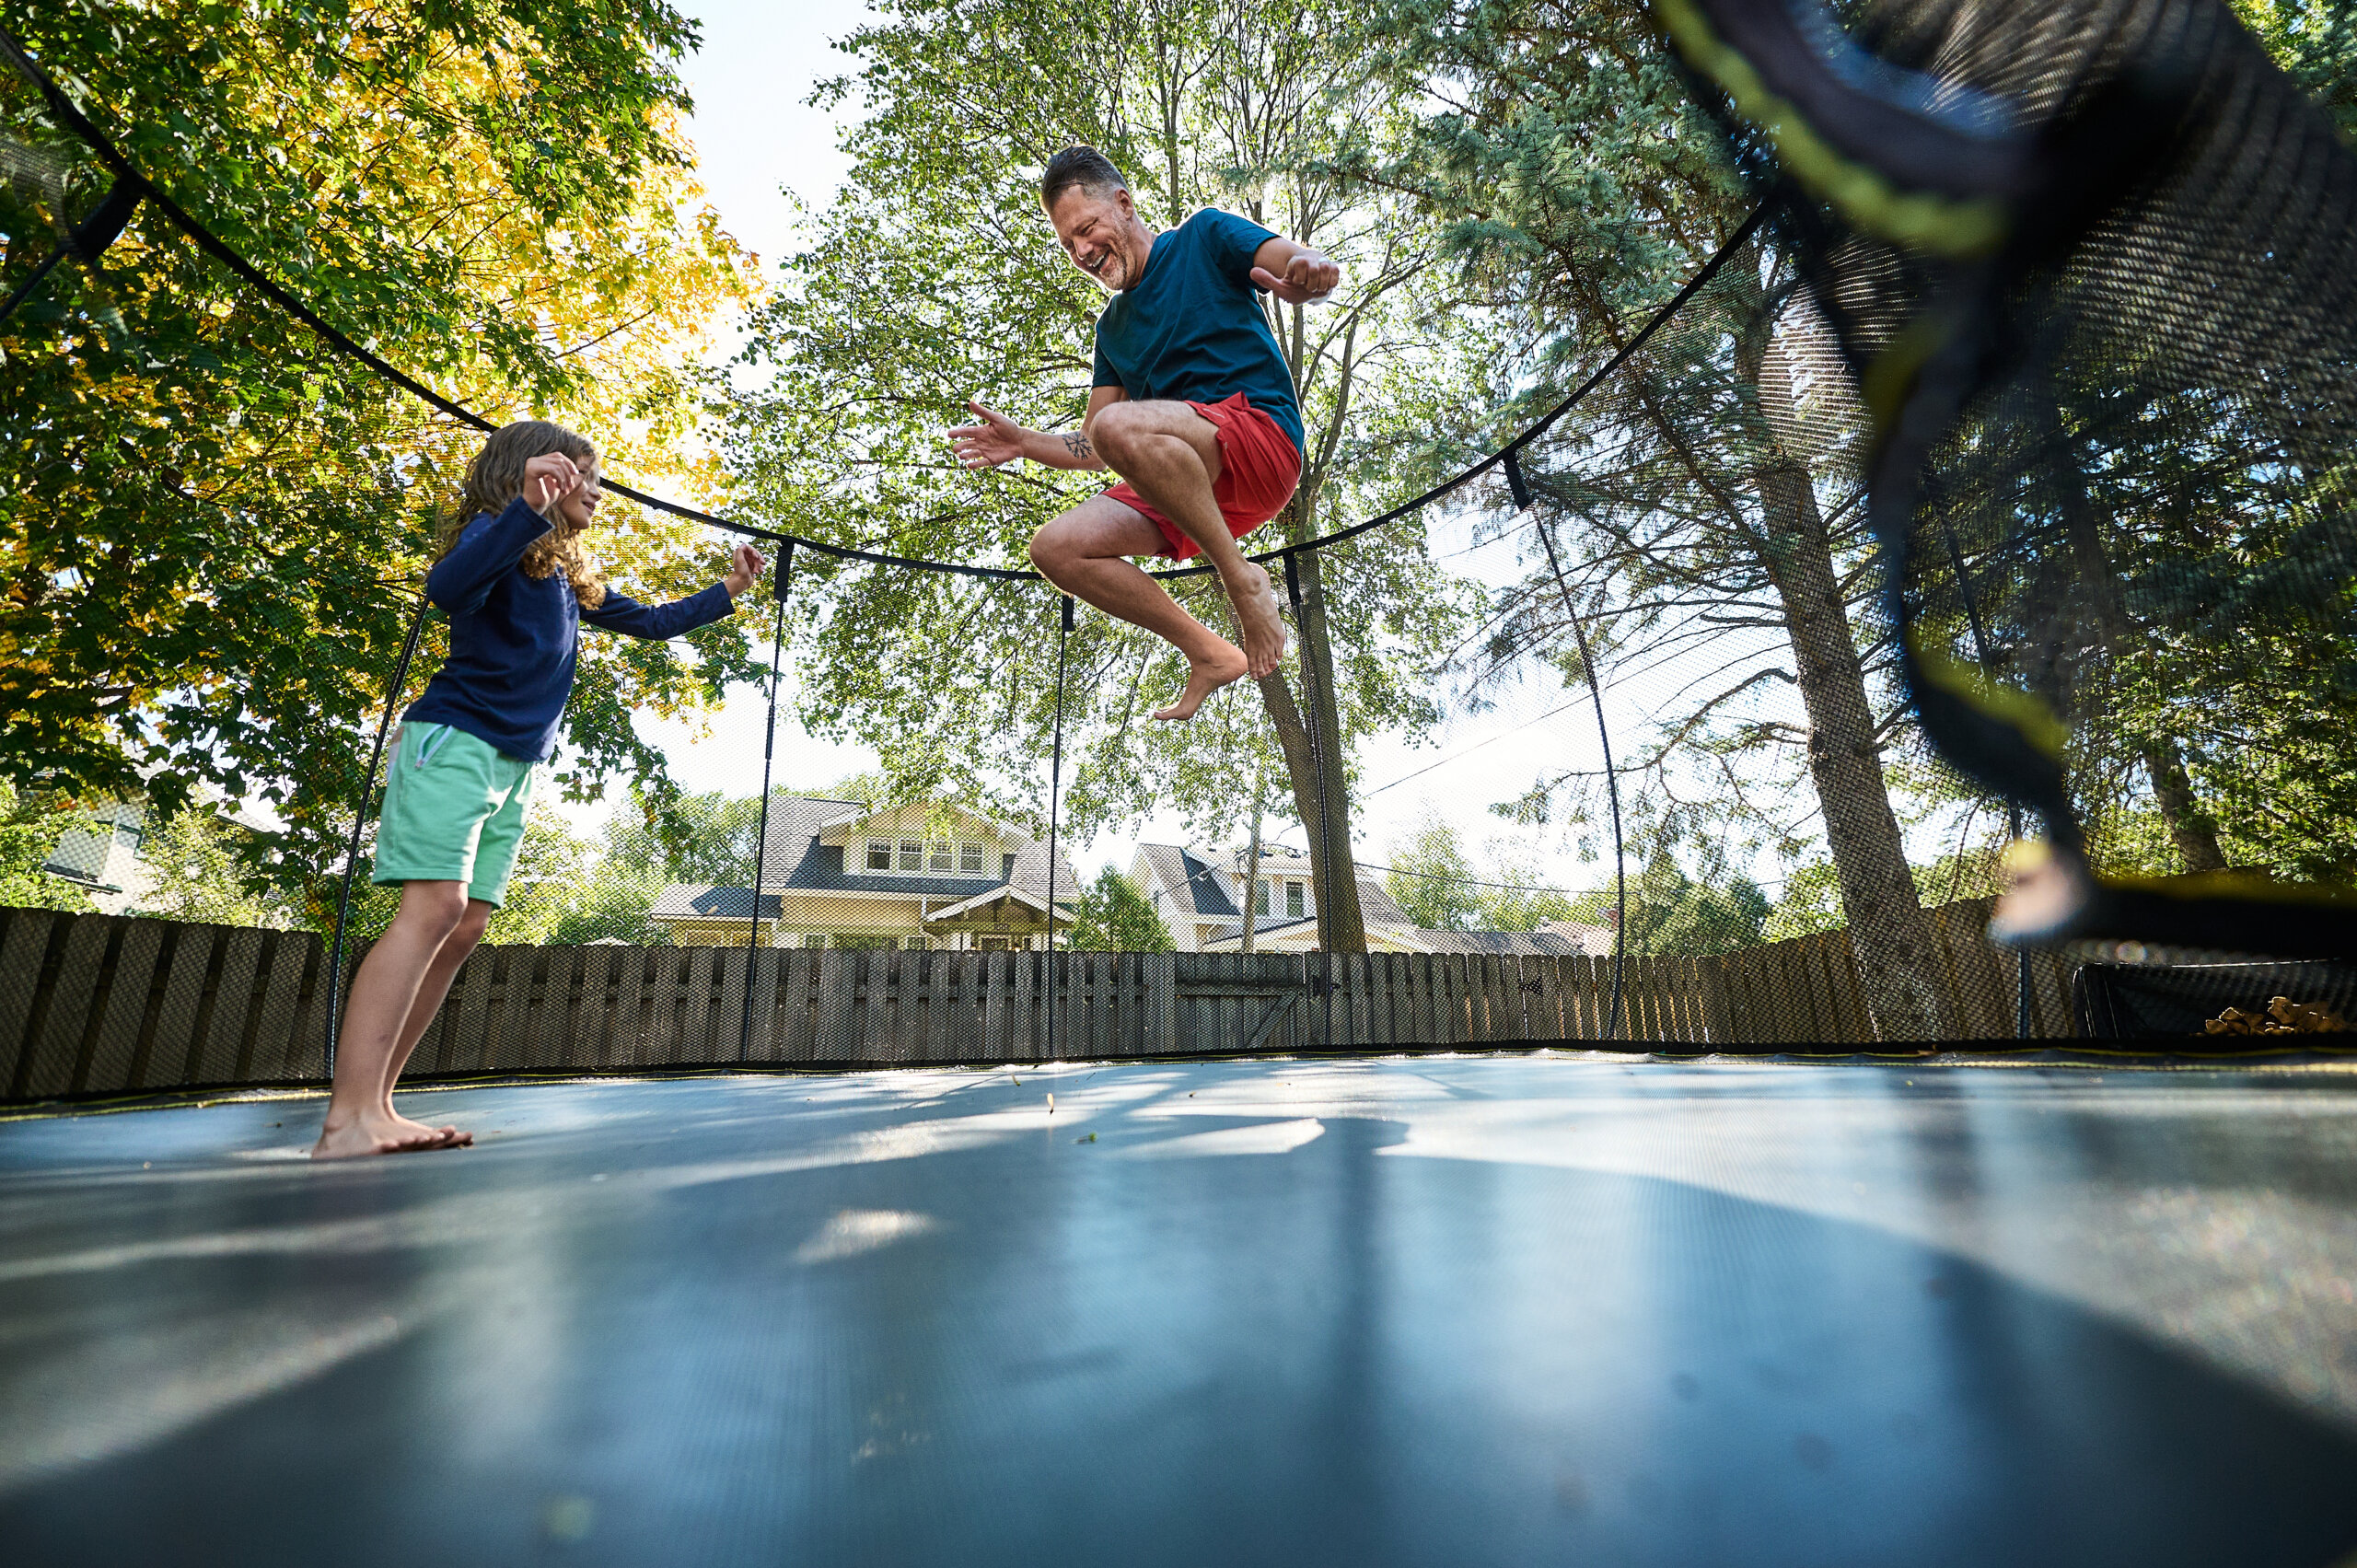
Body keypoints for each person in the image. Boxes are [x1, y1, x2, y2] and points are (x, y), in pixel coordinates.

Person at [312, 421, 764, 1159]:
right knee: (432, 910)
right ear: (537, 476)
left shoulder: (561, 573)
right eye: (585, 475)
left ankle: (379, 1105)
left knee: (463, 928)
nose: (596, 491)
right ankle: (345, 1118)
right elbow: (447, 588)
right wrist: (524, 507)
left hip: (513, 764)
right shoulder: (494, 535)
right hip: (455, 744)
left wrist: (730, 588)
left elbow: (649, 621)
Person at [949, 145, 1340, 721]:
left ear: (1125, 205)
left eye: (1086, 229)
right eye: (1068, 244)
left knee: (1119, 424)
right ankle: (1208, 653)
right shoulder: (1112, 331)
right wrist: (1025, 442)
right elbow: (1096, 446)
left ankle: (1242, 582)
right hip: (1192, 485)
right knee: (1055, 548)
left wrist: (1310, 271)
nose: (1082, 252)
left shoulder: (1203, 237)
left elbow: (1288, 258)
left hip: (1259, 440)